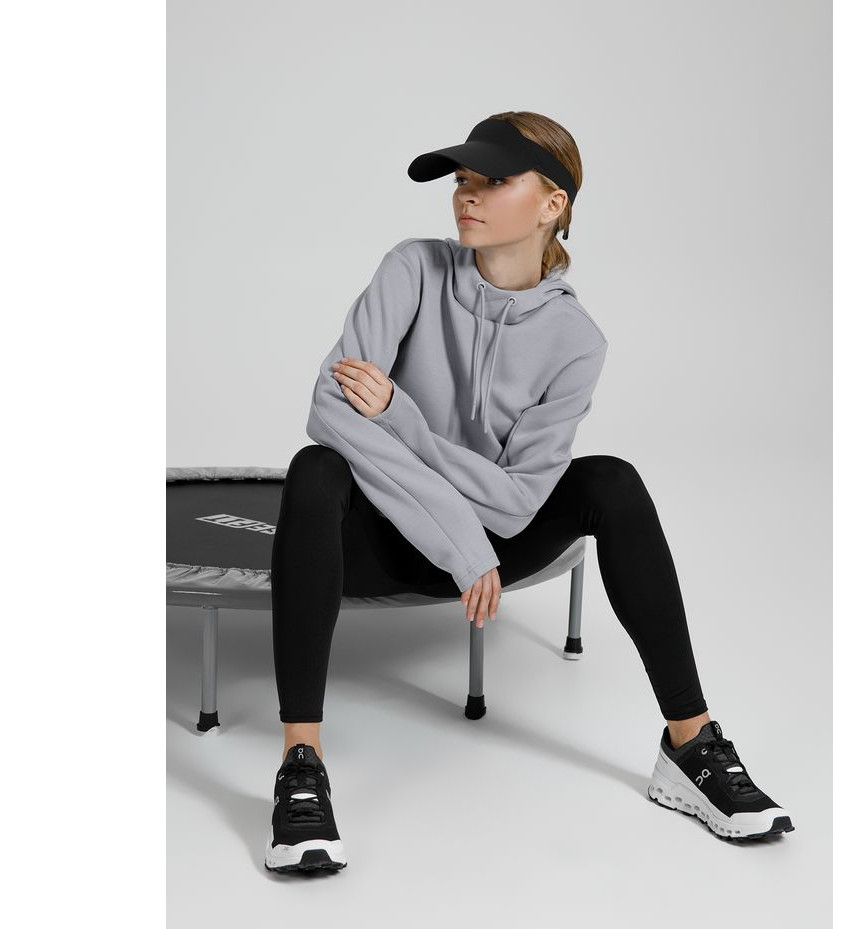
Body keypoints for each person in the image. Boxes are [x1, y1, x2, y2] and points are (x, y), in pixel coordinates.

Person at [264, 112, 794, 874]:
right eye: (462, 180)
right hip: (393, 541)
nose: (466, 195)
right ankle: (301, 765)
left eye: (492, 180)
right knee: (317, 468)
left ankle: (690, 745)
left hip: (495, 548)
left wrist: (401, 418)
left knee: (612, 481)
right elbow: (330, 409)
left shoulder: (577, 341)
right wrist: (458, 536)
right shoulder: (412, 269)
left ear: (552, 204)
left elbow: (516, 505)